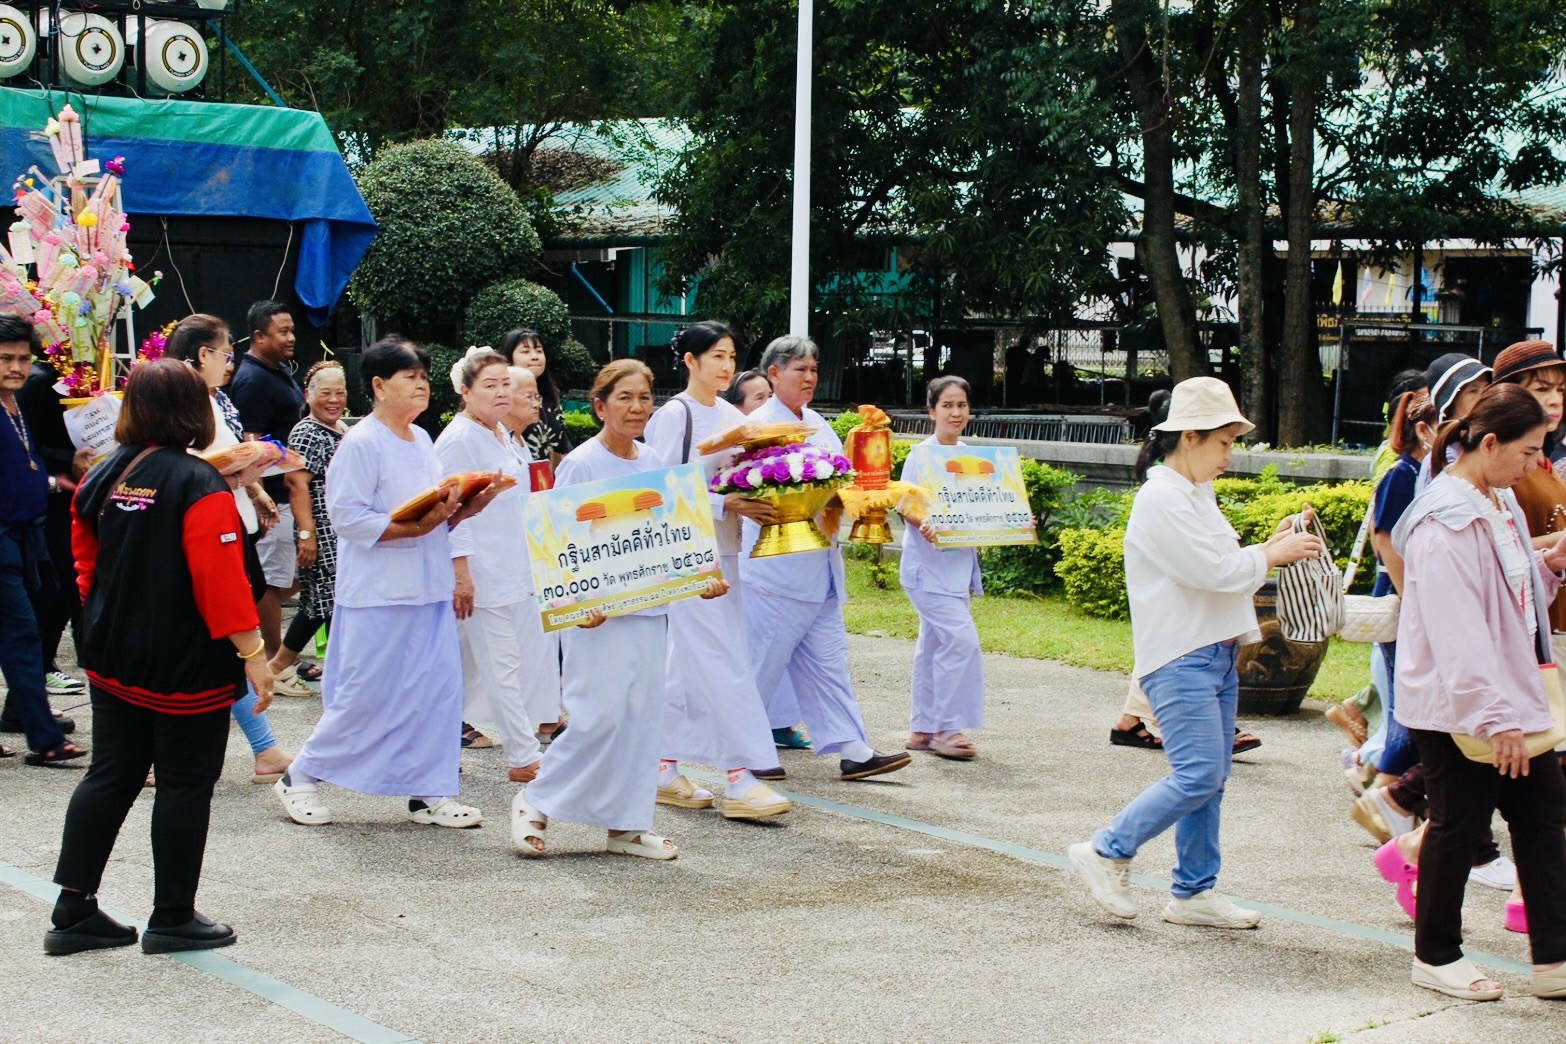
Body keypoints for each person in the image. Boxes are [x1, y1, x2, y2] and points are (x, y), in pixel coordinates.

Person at [1068, 376, 1323, 926]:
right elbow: (1212, 572)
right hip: (1182, 655)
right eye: (1225, 441)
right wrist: (1274, 552)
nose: (1231, 453)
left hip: (1209, 653)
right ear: (1190, 437)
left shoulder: (1191, 493)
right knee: (1199, 776)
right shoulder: (1163, 498)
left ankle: (1193, 892)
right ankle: (1108, 848)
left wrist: (1270, 545)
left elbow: (1222, 562)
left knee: (1210, 778)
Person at [47, 358, 272, 955]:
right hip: (183, 663)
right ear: (193, 411)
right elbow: (220, 586)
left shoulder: (105, 472)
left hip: (111, 654)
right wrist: (253, 653)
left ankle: (73, 909)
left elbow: (85, 565)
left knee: (112, 772)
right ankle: (171, 915)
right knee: (184, 783)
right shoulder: (199, 484)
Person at [275, 337, 501, 829]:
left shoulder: (421, 440)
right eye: (409, 377)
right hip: (379, 594)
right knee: (366, 694)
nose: (421, 386)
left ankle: (429, 791)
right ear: (378, 386)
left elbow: (433, 516)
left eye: (424, 377)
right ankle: (301, 774)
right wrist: (415, 527)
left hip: (429, 587)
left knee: (434, 694)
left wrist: (464, 508)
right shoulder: (361, 443)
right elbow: (348, 518)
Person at [1387, 382, 1566, 1002]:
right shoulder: (1445, 519)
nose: (1533, 465)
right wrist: (1498, 720)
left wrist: (1553, 564)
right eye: (1527, 452)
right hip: (1461, 706)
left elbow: (1513, 605)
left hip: (1504, 699)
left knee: (1542, 819)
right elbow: (1458, 631)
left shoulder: (1497, 501)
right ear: (1489, 443)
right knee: (1458, 826)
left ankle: (1555, 959)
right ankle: (1436, 955)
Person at [512, 359, 729, 858]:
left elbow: (673, 538)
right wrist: (576, 604)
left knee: (640, 719)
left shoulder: (656, 462)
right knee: (598, 717)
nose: (636, 407)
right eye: (624, 398)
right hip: (598, 618)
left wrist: (702, 579)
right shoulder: (583, 463)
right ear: (600, 406)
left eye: (645, 398)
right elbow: (555, 543)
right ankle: (535, 801)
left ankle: (627, 825)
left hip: (650, 613)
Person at [740, 335, 910, 781]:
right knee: (762, 664)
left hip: (821, 566)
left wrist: (866, 497)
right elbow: (748, 491)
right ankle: (744, 753)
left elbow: (843, 481)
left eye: (814, 369)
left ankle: (854, 749)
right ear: (774, 373)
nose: (810, 377)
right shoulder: (758, 427)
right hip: (775, 570)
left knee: (830, 663)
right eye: (801, 369)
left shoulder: (817, 421)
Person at [642, 323, 792, 819]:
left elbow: (742, 479)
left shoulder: (731, 415)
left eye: (731, 357)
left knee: (686, 665)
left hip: (726, 553)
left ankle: (659, 765)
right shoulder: (675, 416)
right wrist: (729, 506)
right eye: (716, 357)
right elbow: (660, 492)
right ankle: (741, 775)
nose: (726, 367)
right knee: (724, 660)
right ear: (689, 361)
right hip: (688, 557)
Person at [166, 314, 293, 785]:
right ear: (203, 355)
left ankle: (265, 749)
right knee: (210, 646)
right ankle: (171, 752)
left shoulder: (214, 400)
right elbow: (188, 468)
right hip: (202, 530)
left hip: (229, 522)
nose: (230, 364)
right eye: (224, 355)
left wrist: (254, 478)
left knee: (225, 647)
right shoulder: (183, 402)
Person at [436, 348, 556, 785]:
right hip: (481, 572)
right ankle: (523, 755)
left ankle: (433, 742)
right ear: (465, 392)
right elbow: (452, 512)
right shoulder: (459, 439)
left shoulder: (500, 435)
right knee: (500, 664)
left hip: (511, 566)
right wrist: (462, 573)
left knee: (471, 670)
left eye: (505, 383)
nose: (502, 392)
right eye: (490, 385)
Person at [0, 314, 84, 765]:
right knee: (21, 633)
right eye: (6, 359)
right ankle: (45, 737)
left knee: (23, 628)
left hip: (25, 535)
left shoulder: (16, 404)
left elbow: (25, 467)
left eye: (23, 359)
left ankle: (34, 723)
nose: (16, 367)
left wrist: (56, 483)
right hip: (4, 538)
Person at [901, 375, 985, 759]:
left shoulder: (971, 455)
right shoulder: (921, 456)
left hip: (957, 569)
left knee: (933, 644)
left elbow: (987, 505)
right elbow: (905, 506)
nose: (956, 412)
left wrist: (1015, 521)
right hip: (927, 569)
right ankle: (947, 729)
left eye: (962, 405)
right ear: (931, 411)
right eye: (948, 405)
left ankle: (922, 728)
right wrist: (925, 525)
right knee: (961, 641)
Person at [266, 360, 349, 691]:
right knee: (330, 604)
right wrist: (307, 536)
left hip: (339, 530)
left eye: (339, 392)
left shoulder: (341, 428)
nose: (333, 400)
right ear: (308, 395)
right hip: (321, 530)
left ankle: (275, 668)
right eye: (325, 393)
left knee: (317, 605)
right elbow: (297, 484)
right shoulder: (306, 431)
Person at [16, 339, 92, 701]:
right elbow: (31, 451)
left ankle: (29, 698)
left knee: (62, 588)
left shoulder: (76, 378)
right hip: (45, 505)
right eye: (7, 358)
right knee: (53, 590)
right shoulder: (37, 383)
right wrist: (60, 471)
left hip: (65, 496)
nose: (15, 367)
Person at [228, 300, 303, 658]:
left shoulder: (277, 370)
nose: (291, 338)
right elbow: (250, 444)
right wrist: (259, 493)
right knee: (271, 583)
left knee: (294, 576)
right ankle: (275, 659)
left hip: (292, 493)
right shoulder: (253, 380)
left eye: (291, 330)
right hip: (274, 495)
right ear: (259, 336)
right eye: (282, 332)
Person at [501, 328, 574, 466]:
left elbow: (563, 447)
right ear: (509, 357)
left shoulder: (551, 400)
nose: (535, 356)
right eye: (525, 351)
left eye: (539, 351)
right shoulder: (502, 400)